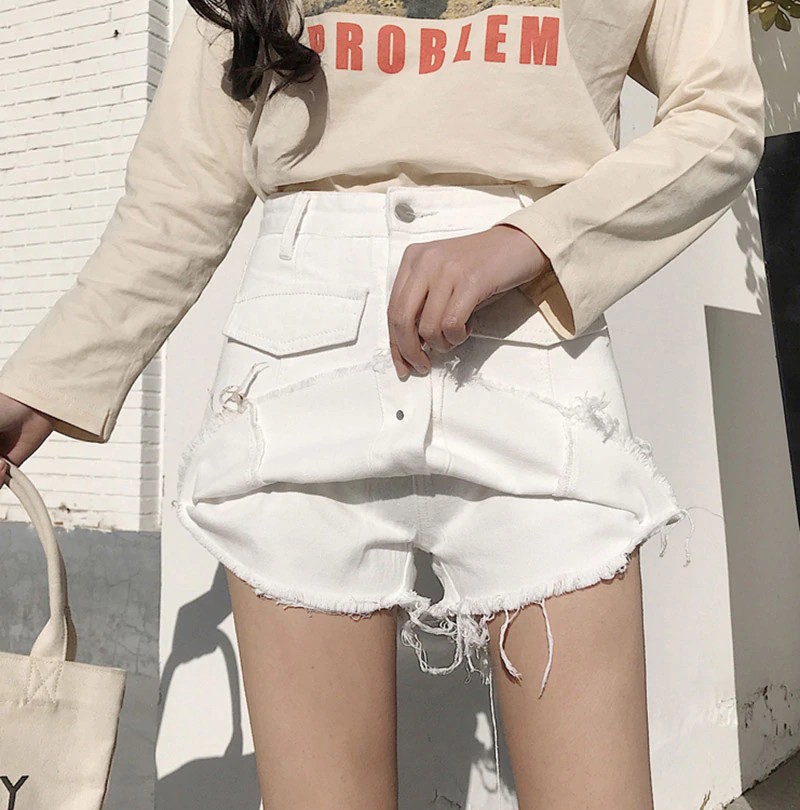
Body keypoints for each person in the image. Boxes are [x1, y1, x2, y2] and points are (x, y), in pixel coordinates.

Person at [0, 0, 764, 806]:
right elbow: (182, 193)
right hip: (303, 364)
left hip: (529, 349)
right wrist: (44, 383)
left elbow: (722, 114)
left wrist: (534, 239)